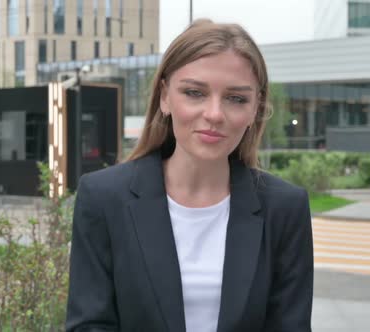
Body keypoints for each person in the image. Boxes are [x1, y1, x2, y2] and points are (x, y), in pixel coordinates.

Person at [66, 19, 314, 332]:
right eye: (195, 93)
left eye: (236, 98)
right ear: (165, 97)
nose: (214, 114)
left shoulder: (285, 208)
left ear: (255, 109)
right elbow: (90, 324)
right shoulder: (103, 197)